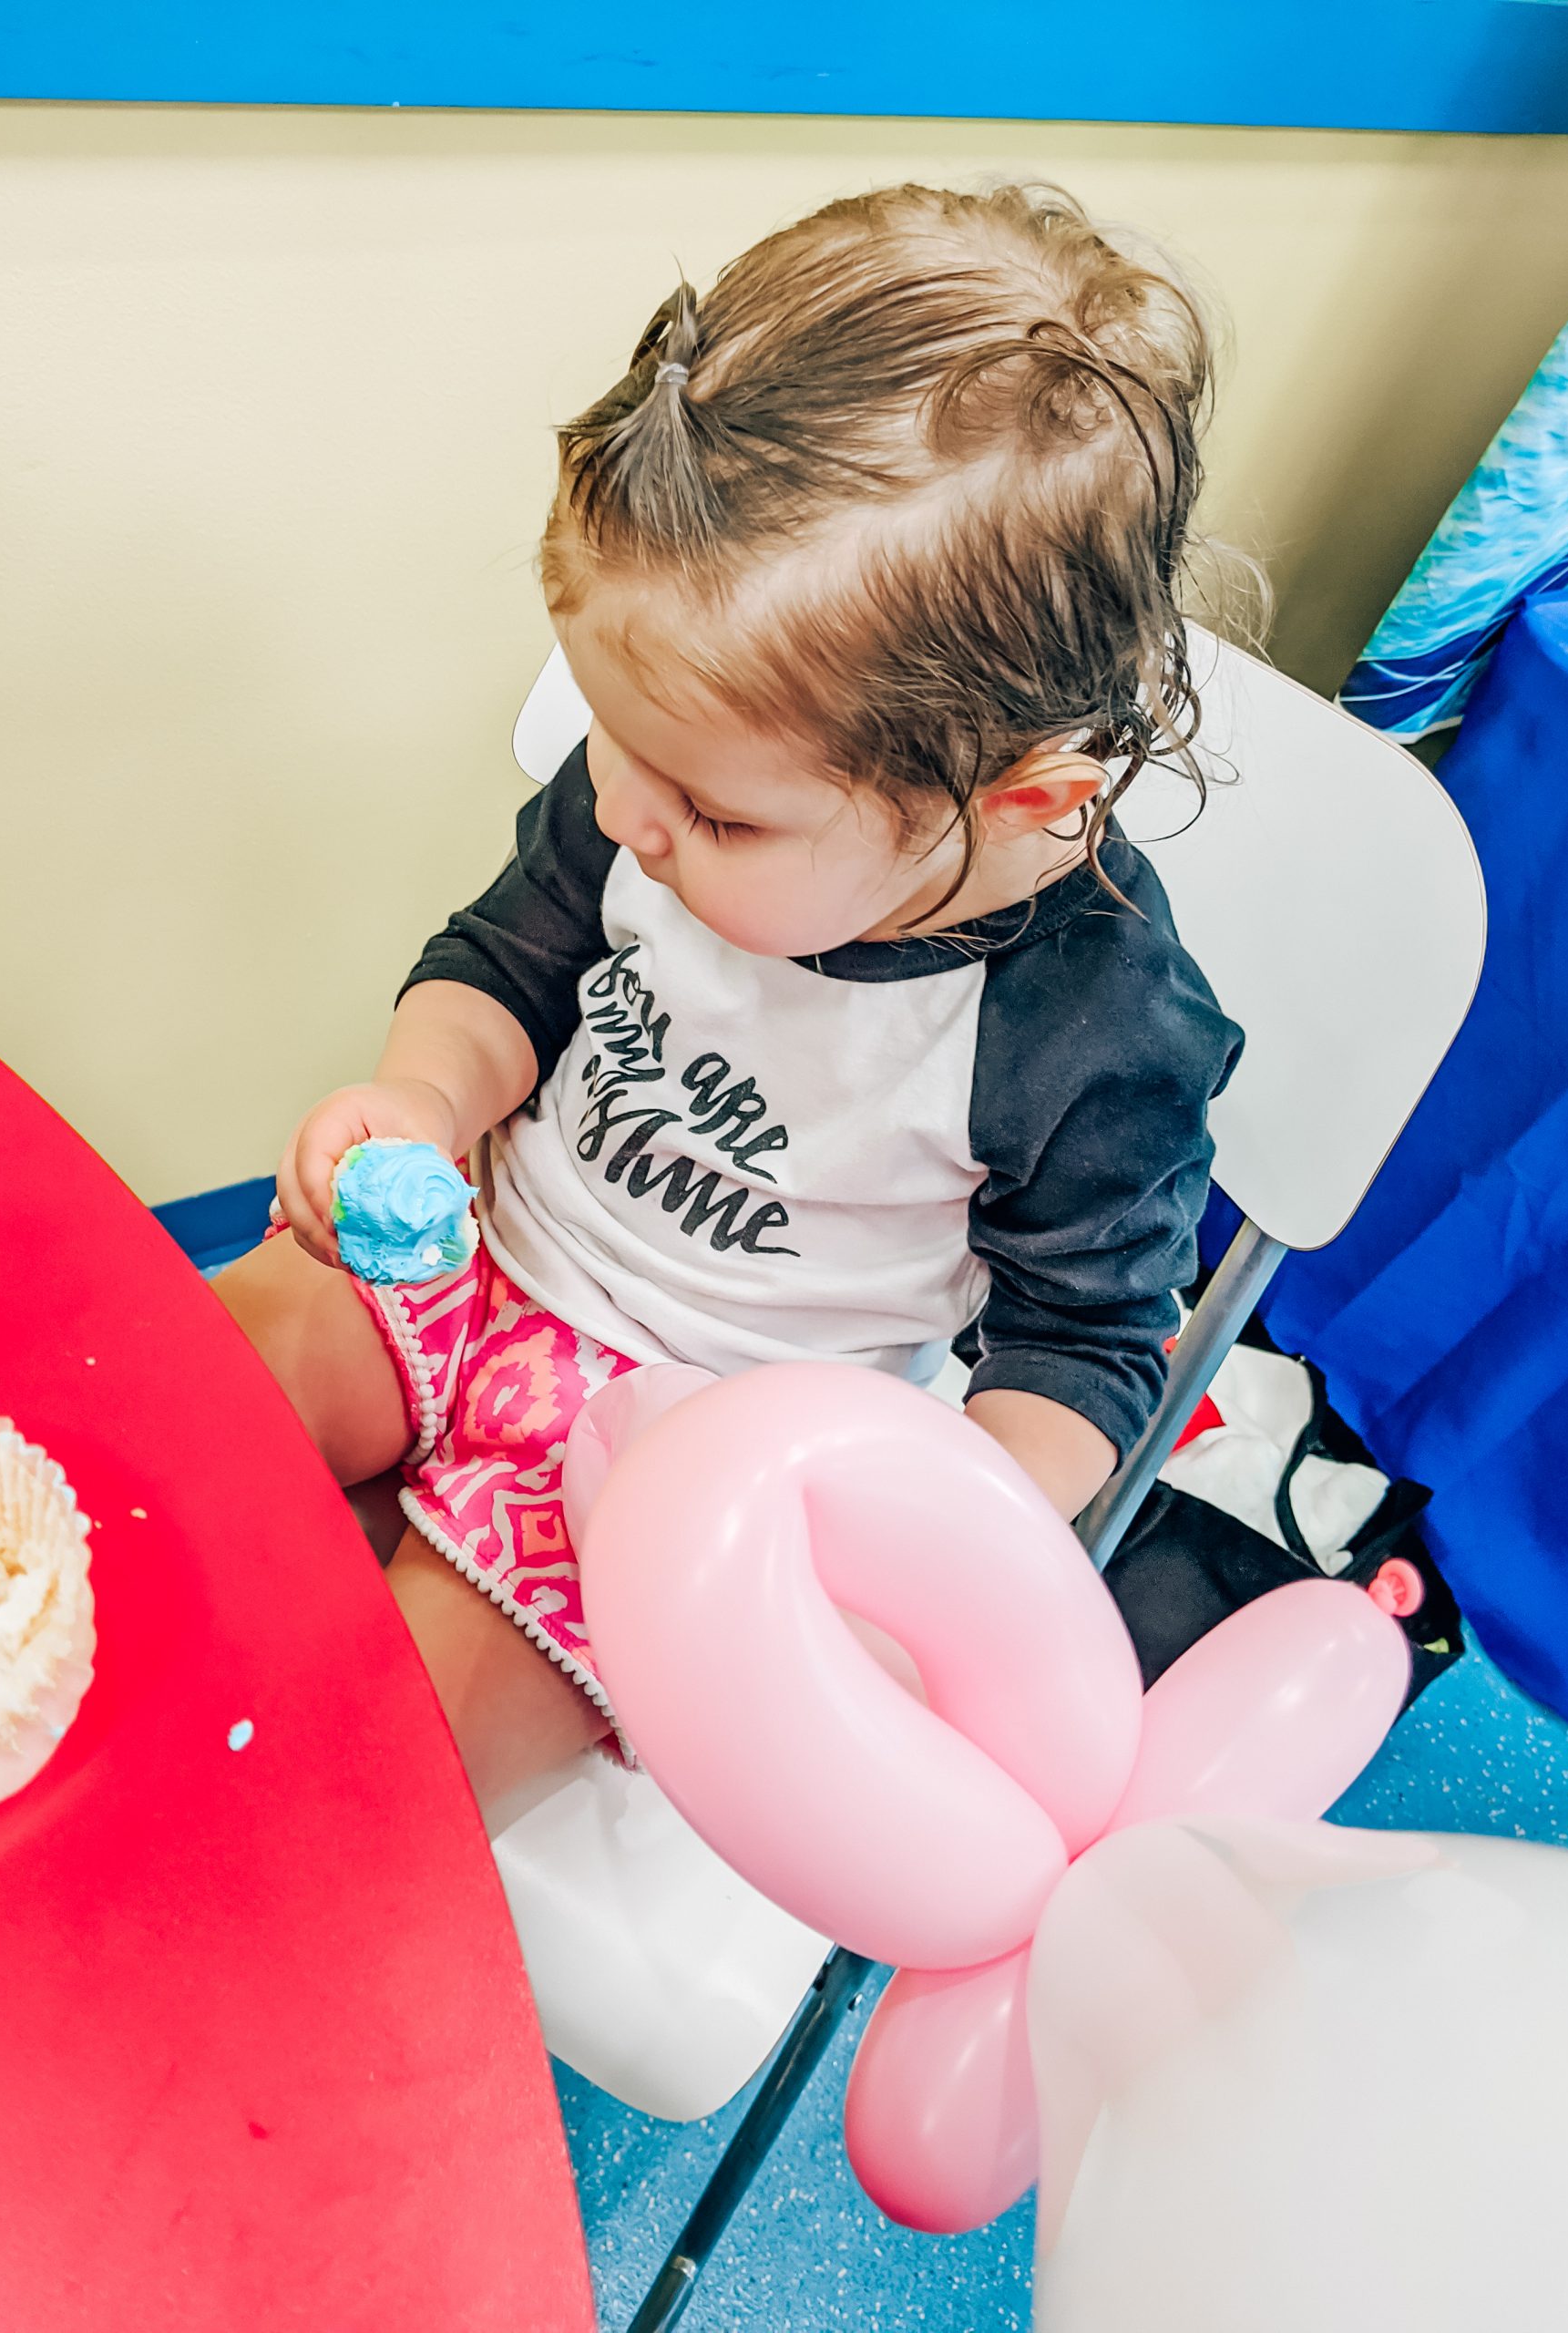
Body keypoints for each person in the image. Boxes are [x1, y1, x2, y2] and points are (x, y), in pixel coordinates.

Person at [215, 180, 1245, 1829]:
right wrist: (419, 1101)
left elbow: (1085, 1354)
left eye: (721, 814)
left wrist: (910, 1540)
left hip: (673, 1472)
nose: (627, 811)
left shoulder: (1094, 1033)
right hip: (467, 1264)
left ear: (1025, 795)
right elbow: (503, 964)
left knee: (357, 1786)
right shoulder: (657, 787)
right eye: (620, 746)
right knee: (152, 1405)